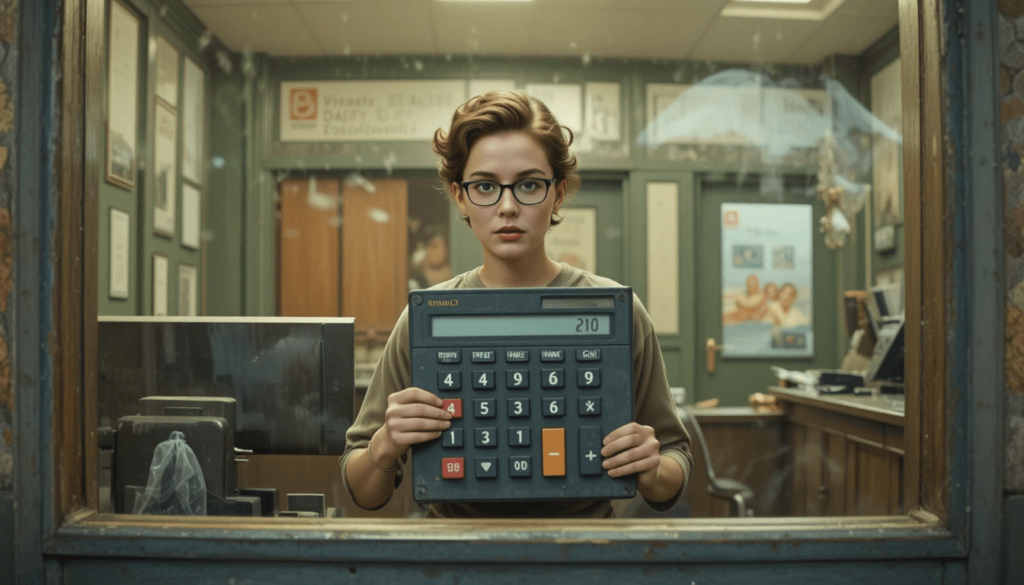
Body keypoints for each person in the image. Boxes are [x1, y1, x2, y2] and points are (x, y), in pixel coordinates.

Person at [340, 90, 692, 519]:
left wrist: (653, 468)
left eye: (528, 185)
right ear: (460, 196)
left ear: (558, 194)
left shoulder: (620, 311)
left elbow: (674, 464)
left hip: (587, 554)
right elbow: (363, 490)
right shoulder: (423, 318)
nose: (507, 207)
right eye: (485, 186)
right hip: (453, 557)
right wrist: (385, 444)